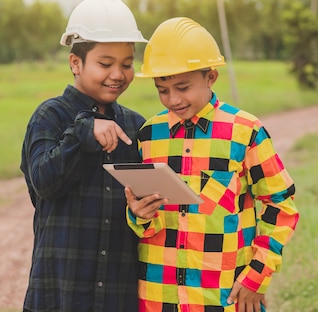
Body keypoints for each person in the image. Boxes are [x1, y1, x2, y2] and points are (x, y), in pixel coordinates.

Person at [125, 17, 299, 312]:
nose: (173, 100)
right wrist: (138, 214)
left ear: (210, 78)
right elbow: (147, 222)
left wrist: (256, 276)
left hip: (223, 298)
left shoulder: (246, 132)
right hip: (158, 296)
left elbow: (280, 205)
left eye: (183, 87)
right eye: (162, 90)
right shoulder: (148, 136)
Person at [20, 0, 148, 312]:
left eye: (127, 64)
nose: (118, 74)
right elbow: (44, 183)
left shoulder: (136, 126)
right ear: (75, 62)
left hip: (119, 290)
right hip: (62, 287)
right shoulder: (50, 116)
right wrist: (82, 133)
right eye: (105, 64)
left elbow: (146, 207)